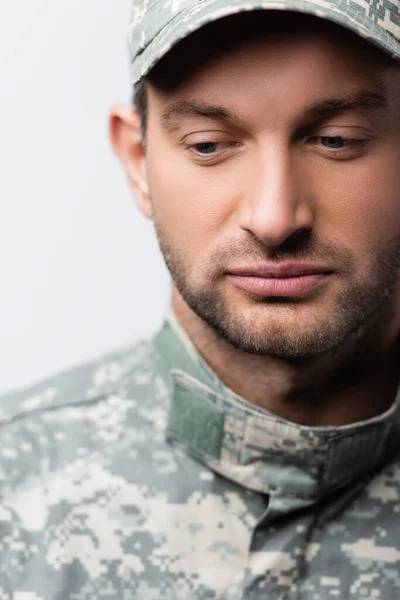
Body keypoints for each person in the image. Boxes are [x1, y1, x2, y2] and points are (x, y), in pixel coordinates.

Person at [1, 1, 400, 598]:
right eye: (210, 145)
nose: (273, 218)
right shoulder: (15, 488)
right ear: (139, 162)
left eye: (336, 140)